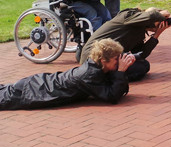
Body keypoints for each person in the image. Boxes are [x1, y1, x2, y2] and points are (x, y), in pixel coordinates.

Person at [0, 39, 133, 110]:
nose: (118, 61)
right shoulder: (90, 75)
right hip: (36, 91)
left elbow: (114, 89)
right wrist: (120, 72)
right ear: (104, 60)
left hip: (40, 84)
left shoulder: (97, 67)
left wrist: (120, 71)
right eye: (116, 59)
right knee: (4, 98)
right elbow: (112, 96)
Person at [79, 8, 171, 81]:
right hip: (93, 57)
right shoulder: (128, 16)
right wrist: (160, 15)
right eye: (159, 20)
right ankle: (108, 77)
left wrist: (156, 35)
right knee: (141, 68)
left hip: (105, 57)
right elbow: (150, 16)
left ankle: (108, 74)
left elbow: (141, 54)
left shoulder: (139, 30)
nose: (160, 22)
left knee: (143, 64)